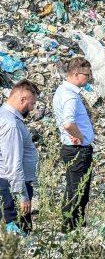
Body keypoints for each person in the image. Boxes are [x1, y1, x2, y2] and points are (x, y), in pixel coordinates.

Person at [52, 57, 94, 233]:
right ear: (76, 74)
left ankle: (71, 226)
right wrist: (80, 137)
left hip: (72, 149)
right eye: (87, 75)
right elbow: (68, 123)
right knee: (78, 191)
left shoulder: (62, 91)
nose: (89, 78)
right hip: (78, 150)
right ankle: (72, 229)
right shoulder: (70, 96)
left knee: (73, 188)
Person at [0, 79, 40, 233]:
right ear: (22, 99)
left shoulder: (3, 115)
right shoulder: (11, 124)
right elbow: (13, 163)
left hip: (7, 185)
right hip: (11, 188)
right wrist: (22, 196)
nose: (32, 108)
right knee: (18, 235)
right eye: (32, 103)